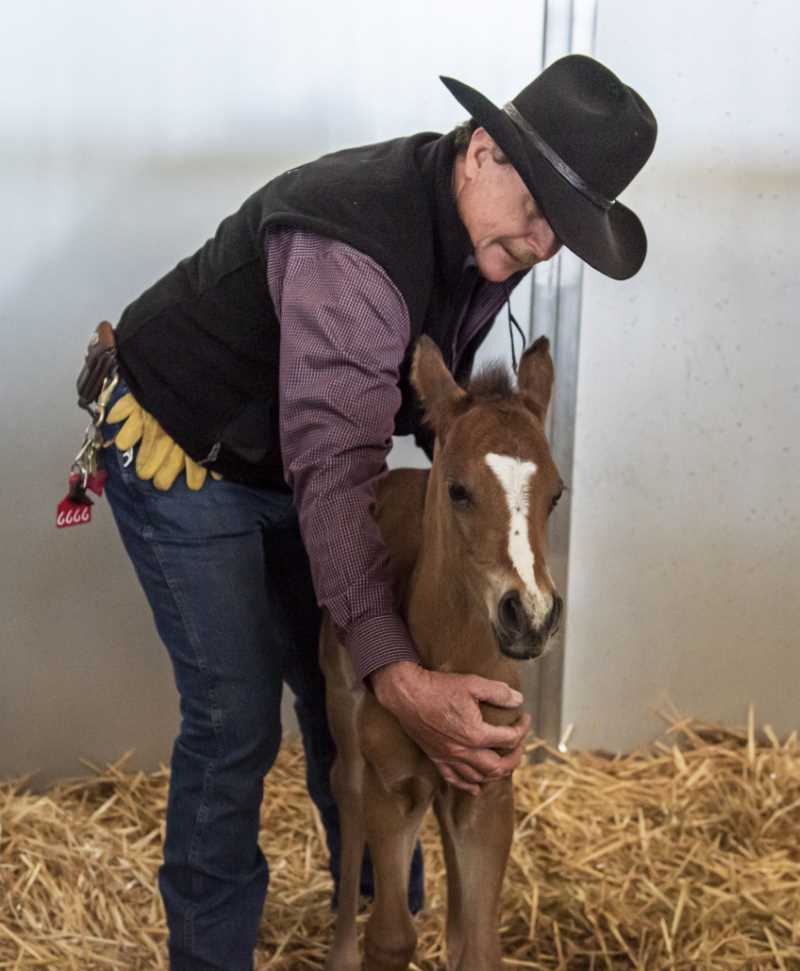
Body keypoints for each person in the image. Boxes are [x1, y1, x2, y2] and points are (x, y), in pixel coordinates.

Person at [90, 54, 656, 971]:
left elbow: (438, 431)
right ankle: (210, 957)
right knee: (238, 719)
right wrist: (398, 671)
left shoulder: (486, 237)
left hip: (286, 460)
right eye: (541, 214)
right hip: (187, 452)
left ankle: (376, 930)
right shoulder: (355, 252)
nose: (547, 246)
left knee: (338, 699)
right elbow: (336, 472)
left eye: (567, 231)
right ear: (481, 154)